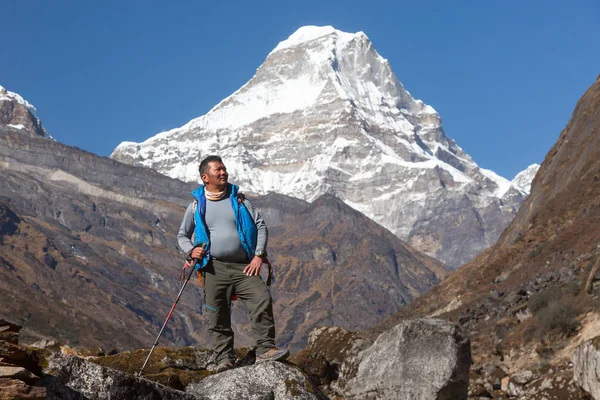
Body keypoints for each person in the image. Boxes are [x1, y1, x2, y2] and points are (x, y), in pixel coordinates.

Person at [177, 155, 288, 372]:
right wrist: (191, 251)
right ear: (205, 177)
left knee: (261, 299)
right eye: (218, 170)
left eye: (224, 169)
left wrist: (258, 256)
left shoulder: (239, 200)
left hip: (244, 265)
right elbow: (182, 235)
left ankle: (265, 349)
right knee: (216, 313)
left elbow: (261, 225)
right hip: (213, 267)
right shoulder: (196, 206)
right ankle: (224, 359)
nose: (223, 172)